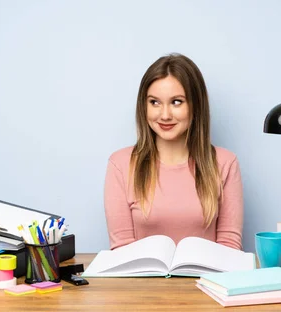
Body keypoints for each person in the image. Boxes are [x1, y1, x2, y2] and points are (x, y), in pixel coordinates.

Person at [104, 53, 244, 250]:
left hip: (206, 279)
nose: (165, 115)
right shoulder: (120, 164)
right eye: (154, 102)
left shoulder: (225, 163)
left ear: (196, 105)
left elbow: (229, 246)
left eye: (177, 102)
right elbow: (121, 248)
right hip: (141, 279)